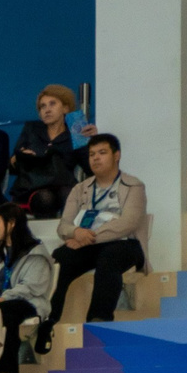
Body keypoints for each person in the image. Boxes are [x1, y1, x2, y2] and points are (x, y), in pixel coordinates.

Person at [47, 133, 147, 338]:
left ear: (116, 155)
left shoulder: (133, 186)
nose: (95, 158)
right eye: (92, 154)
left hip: (126, 244)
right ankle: (48, 319)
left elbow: (128, 224)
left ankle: (99, 320)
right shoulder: (80, 188)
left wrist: (87, 237)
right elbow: (63, 226)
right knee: (60, 257)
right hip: (88, 244)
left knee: (109, 258)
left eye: (102, 153)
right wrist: (76, 232)